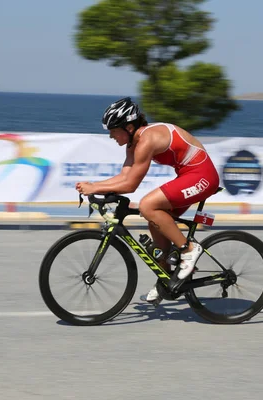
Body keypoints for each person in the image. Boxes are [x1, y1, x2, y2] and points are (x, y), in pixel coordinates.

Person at [75, 97, 220, 304]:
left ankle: (189, 249)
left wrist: (95, 187)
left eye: (113, 130)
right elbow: (123, 177)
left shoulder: (147, 140)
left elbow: (130, 185)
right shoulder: (133, 143)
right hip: (187, 175)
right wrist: (95, 186)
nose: (110, 136)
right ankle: (166, 281)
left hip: (202, 176)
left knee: (147, 205)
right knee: (156, 223)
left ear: (129, 127)